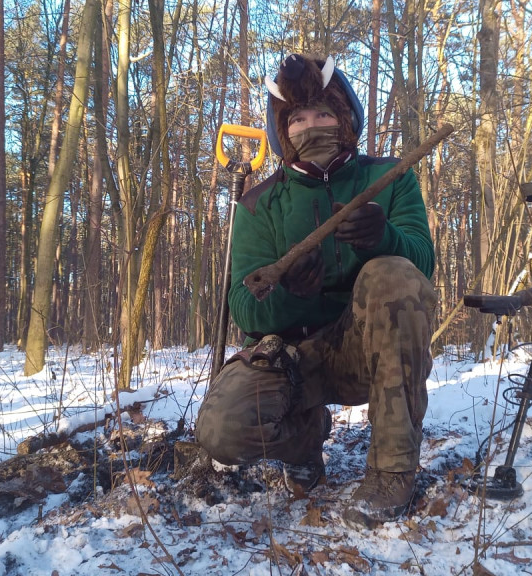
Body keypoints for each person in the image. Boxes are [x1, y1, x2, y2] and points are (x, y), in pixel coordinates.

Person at [195, 54, 437, 528]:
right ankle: (306, 442)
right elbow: (244, 307)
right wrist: (288, 295)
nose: (312, 126)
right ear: (283, 132)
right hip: (290, 356)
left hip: (366, 353)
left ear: (345, 118)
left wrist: (385, 239)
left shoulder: (390, 179)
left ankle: (393, 470)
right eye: (299, 118)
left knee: (394, 271)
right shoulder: (257, 204)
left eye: (324, 113)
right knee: (222, 430)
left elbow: (422, 268)